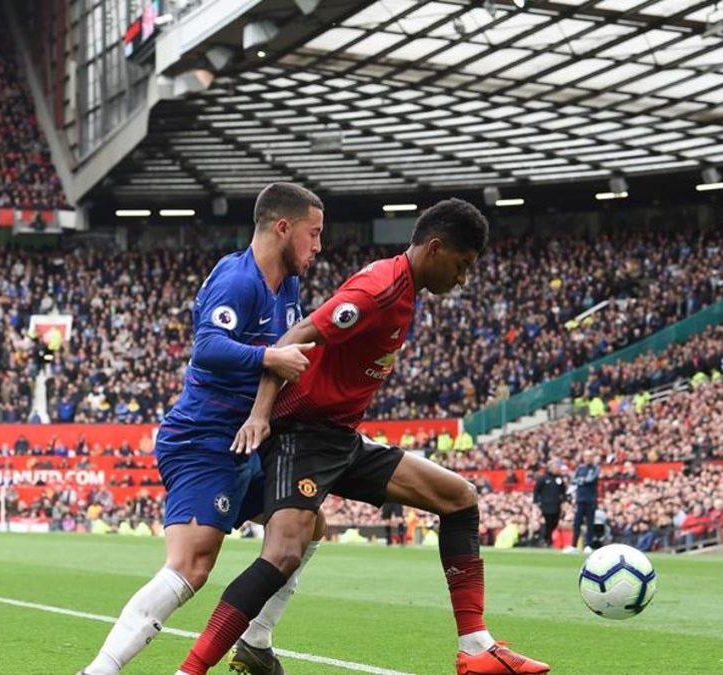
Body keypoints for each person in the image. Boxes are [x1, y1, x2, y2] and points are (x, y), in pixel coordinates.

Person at [175, 198, 549, 674]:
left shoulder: (405, 287)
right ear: (435, 248)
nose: (463, 279)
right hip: (303, 434)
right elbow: (295, 337)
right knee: (284, 551)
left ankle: (475, 647)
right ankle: (190, 669)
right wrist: (261, 416)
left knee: (459, 498)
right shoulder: (380, 291)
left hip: (340, 438)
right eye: (462, 265)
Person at [80, 183, 325, 675]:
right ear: (283, 228)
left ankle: (256, 642)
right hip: (203, 439)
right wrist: (268, 355)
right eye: (313, 234)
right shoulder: (237, 280)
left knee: (305, 524)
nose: (318, 247)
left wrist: (265, 407)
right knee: (192, 566)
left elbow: (281, 366)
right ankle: (99, 671)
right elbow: (207, 347)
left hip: (250, 439)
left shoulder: (289, 287)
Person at [532, 461, 567, 547]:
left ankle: (548, 539)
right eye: (556, 467)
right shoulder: (543, 479)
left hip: (556, 505)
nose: (558, 469)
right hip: (546, 505)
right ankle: (546, 540)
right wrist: (536, 502)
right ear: (550, 467)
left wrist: (564, 501)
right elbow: (536, 491)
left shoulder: (559, 479)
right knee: (548, 522)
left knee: (555, 522)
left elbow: (563, 491)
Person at [571, 452, 600, 551]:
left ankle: (588, 545)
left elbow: (590, 479)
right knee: (577, 523)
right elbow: (573, 479)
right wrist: (582, 480)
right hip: (580, 499)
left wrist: (581, 480)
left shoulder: (595, 468)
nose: (587, 458)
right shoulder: (580, 468)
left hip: (590, 499)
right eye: (586, 456)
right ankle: (573, 545)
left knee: (590, 523)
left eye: (589, 456)